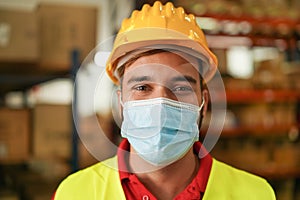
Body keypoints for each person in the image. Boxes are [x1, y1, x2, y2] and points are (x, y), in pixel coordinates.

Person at [54, 1, 276, 199]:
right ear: (121, 103)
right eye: (142, 87)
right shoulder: (74, 193)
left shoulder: (256, 194)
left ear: (203, 104)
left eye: (180, 87)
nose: (160, 102)